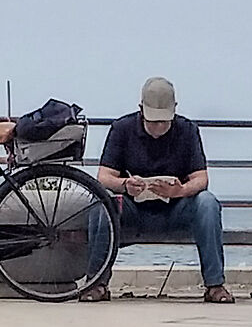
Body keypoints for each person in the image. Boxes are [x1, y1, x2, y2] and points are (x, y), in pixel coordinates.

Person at [80, 76, 230, 303]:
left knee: (207, 202)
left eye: (165, 121)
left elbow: (201, 179)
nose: (159, 126)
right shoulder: (122, 128)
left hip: (175, 209)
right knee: (102, 205)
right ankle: (97, 283)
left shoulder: (187, 130)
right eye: (153, 121)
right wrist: (125, 185)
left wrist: (180, 191)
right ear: (141, 110)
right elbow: (103, 176)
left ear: (174, 111)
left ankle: (215, 285)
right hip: (132, 208)